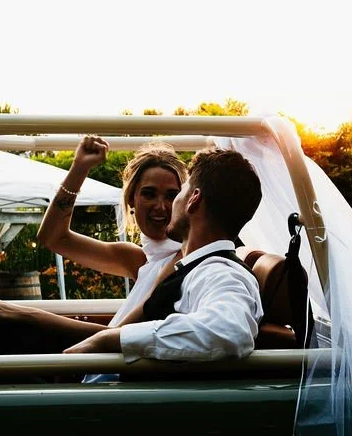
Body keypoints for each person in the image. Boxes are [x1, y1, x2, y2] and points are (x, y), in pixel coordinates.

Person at [0, 136, 186, 353]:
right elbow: (53, 237)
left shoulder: (181, 262)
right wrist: (80, 168)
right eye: (149, 194)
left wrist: (29, 315)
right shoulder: (139, 259)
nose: (161, 206)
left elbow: (118, 337)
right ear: (131, 200)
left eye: (172, 195)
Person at [63, 147, 264, 363]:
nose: (166, 206)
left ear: (193, 199)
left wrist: (111, 339)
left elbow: (228, 332)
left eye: (179, 192)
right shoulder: (193, 268)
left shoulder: (220, 272)